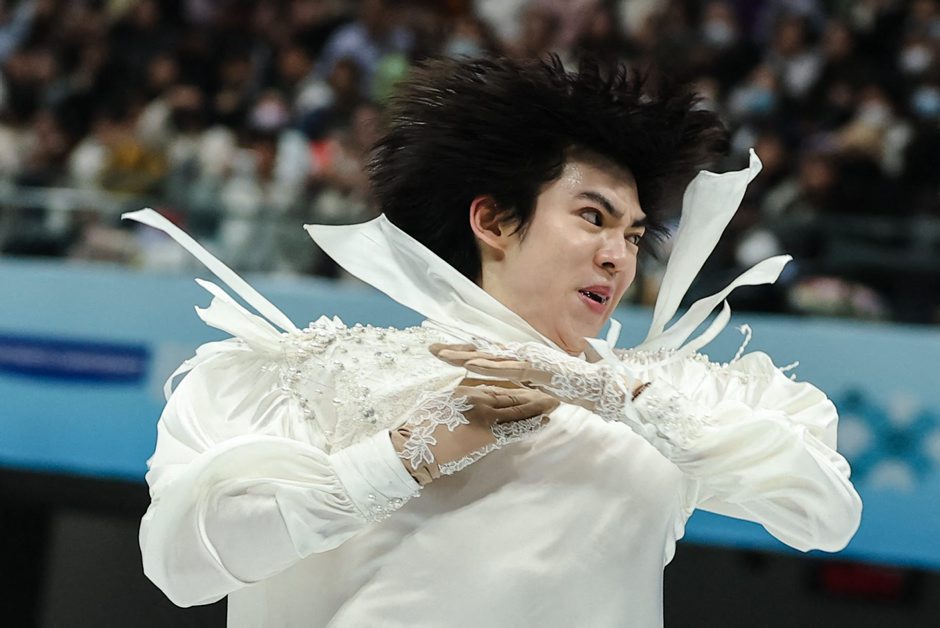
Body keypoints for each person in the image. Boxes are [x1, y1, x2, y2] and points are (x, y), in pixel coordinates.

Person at [126, 56, 861, 627]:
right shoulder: (327, 374)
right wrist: (403, 455)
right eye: (593, 218)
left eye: (635, 235)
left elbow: (825, 513)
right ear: (494, 221)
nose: (619, 257)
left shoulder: (663, 399)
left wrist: (607, 393)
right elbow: (184, 563)